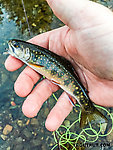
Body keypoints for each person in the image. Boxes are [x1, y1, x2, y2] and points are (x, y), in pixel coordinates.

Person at [5, 0, 113, 131]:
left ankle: (88, 110)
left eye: (16, 47)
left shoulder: (33, 59)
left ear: (28, 52)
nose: (13, 46)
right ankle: (88, 110)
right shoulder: (33, 56)